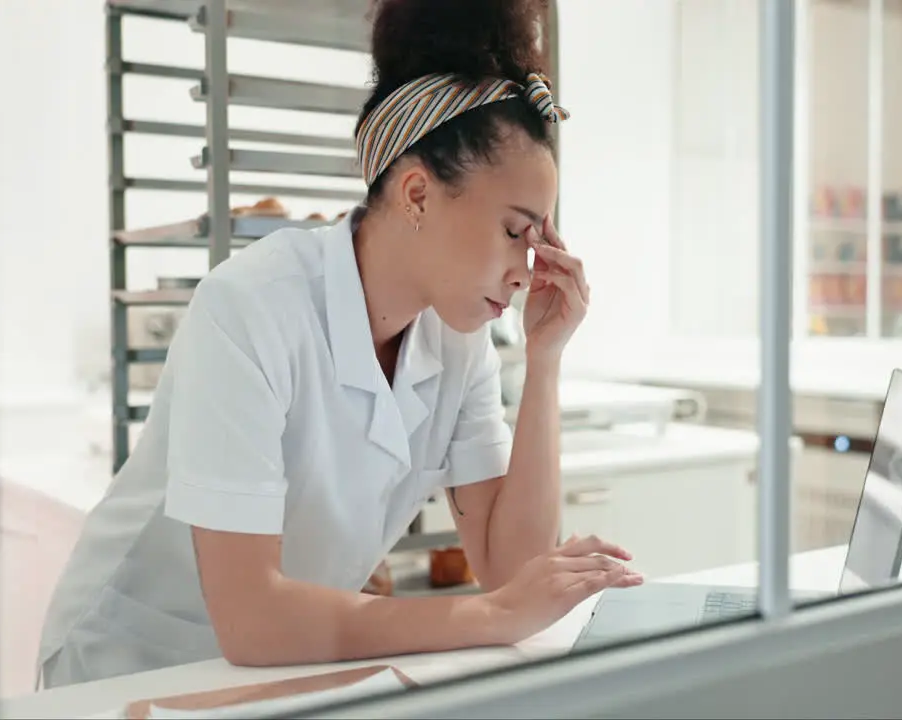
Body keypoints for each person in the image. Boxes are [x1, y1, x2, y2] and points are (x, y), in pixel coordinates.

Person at [36, 0, 642, 689]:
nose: (525, 269)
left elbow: (512, 570)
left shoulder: (458, 340)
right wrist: (490, 615)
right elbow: (254, 617)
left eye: (537, 240)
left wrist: (546, 360)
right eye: (514, 231)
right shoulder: (249, 308)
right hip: (128, 665)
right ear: (416, 192)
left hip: (287, 662)